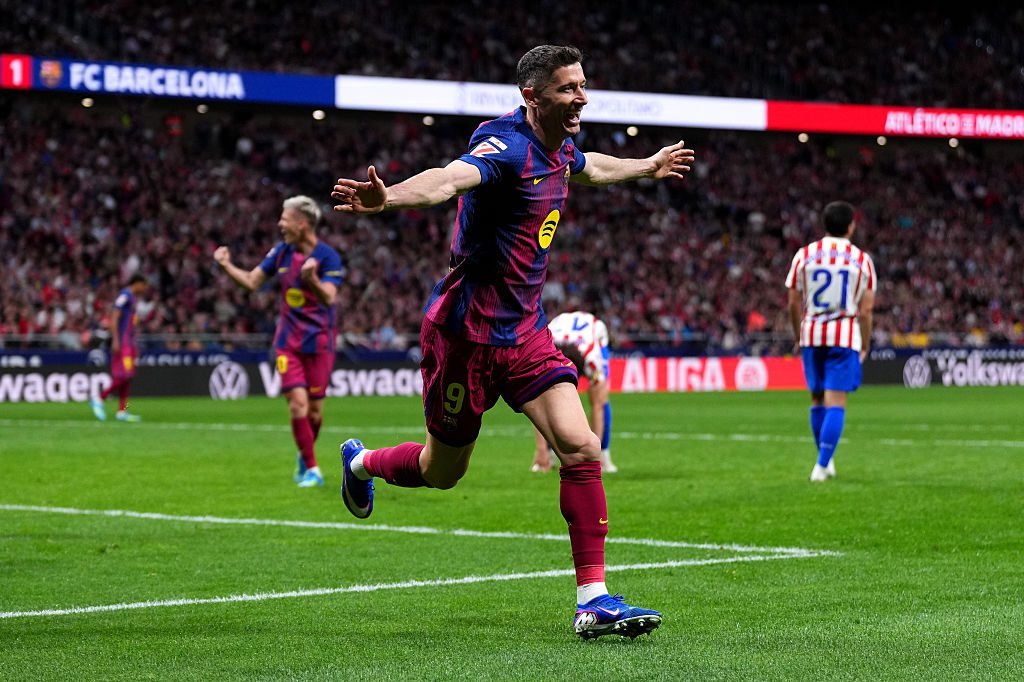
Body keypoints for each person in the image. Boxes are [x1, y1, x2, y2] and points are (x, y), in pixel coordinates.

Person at [330, 44, 694, 639]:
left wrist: (647, 166)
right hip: (464, 336)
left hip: (525, 331)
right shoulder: (505, 149)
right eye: (567, 88)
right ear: (532, 95)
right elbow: (449, 180)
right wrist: (388, 196)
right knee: (442, 471)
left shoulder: (561, 146)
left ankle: (593, 600)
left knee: (581, 447)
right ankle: (362, 462)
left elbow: (592, 167)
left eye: (582, 85)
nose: (581, 97)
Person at [214, 195, 343, 488]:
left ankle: (304, 455)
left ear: (302, 223)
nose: (280, 224)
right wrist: (226, 265)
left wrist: (311, 280)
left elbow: (329, 297)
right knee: (298, 405)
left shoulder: (328, 257)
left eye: (285, 219)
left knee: (314, 412)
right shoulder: (281, 252)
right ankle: (313, 468)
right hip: (288, 343)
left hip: (320, 343)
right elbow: (252, 282)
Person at [785, 201, 876, 482]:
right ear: (850, 227)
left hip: (812, 334)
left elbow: (793, 302)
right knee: (836, 401)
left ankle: (825, 460)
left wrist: (798, 335)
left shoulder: (804, 255)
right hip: (844, 336)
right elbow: (866, 310)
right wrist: (865, 343)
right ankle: (822, 465)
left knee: (816, 398)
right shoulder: (862, 260)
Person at [531, 310, 616, 474]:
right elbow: (537, 400)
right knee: (544, 396)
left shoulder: (592, 359)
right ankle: (547, 454)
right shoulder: (543, 351)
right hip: (559, 328)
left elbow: (597, 406)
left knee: (600, 398)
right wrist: (540, 450)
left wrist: (593, 458)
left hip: (595, 332)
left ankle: (604, 456)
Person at [90, 273, 149, 422]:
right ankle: (99, 398)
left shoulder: (133, 298)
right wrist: (116, 340)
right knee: (124, 376)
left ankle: (123, 411)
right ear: (137, 283)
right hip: (123, 344)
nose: (144, 289)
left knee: (128, 378)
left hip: (130, 344)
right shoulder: (125, 295)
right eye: (144, 285)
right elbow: (114, 317)